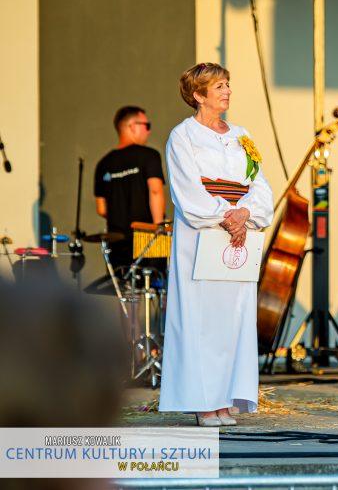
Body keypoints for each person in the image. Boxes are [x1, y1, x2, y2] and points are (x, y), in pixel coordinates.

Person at [159, 62, 274, 426]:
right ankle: (203, 401)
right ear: (199, 95)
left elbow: (259, 183)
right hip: (204, 233)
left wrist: (246, 214)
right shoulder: (183, 136)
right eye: (219, 86)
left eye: (228, 84)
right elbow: (187, 189)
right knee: (202, 317)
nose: (226, 91)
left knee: (234, 317)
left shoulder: (241, 135)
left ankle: (226, 399)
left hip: (238, 232)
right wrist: (227, 215)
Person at [94, 106, 165, 269]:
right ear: (132, 126)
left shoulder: (103, 164)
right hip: (147, 237)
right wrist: (158, 229)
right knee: (152, 287)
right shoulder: (149, 155)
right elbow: (155, 191)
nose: (148, 131)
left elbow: (101, 208)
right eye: (147, 126)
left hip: (116, 241)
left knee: (123, 289)